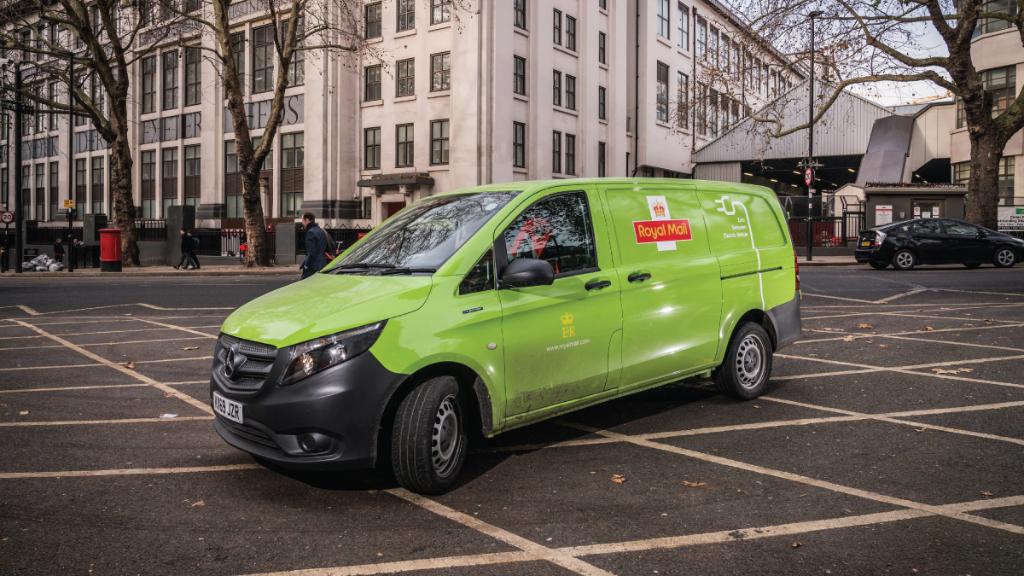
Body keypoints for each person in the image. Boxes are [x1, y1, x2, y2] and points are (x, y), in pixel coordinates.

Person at [300, 212, 328, 279]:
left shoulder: (310, 232)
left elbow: (311, 252)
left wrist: (306, 265)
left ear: (306, 220)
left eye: (302, 220)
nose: (302, 223)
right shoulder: (321, 231)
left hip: (313, 266)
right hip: (322, 264)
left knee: (304, 285)